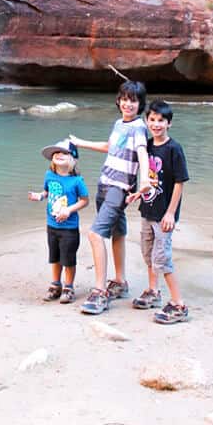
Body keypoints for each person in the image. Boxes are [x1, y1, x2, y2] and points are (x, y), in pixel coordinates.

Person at [70, 80, 150, 315]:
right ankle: (120, 281)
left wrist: (144, 181)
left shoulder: (139, 127)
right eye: (124, 99)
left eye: (133, 101)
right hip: (105, 182)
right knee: (117, 233)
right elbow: (110, 147)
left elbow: (143, 154)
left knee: (95, 234)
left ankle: (100, 291)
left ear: (140, 104)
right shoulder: (119, 124)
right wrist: (80, 143)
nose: (128, 104)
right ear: (118, 100)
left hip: (119, 187)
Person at [127, 99, 189, 324]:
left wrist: (171, 213)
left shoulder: (174, 149)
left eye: (161, 120)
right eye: (152, 120)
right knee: (148, 254)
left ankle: (178, 304)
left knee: (162, 259)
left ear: (169, 123)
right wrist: (136, 194)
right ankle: (153, 291)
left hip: (164, 214)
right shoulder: (147, 147)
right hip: (147, 210)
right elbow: (145, 178)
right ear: (146, 121)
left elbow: (180, 183)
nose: (156, 124)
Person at [28, 138, 89, 305]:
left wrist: (69, 210)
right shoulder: (49, 175)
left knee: (68, 258)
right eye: (56, 153)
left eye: (64, 153)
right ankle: (55, 285)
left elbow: (85, 200)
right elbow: (47, 191)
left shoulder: (77, 181)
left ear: (73, 159)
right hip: (52, 224)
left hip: (69, 227)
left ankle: (68, 287)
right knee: (54, 257)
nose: (59, 155)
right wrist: (40, 196)